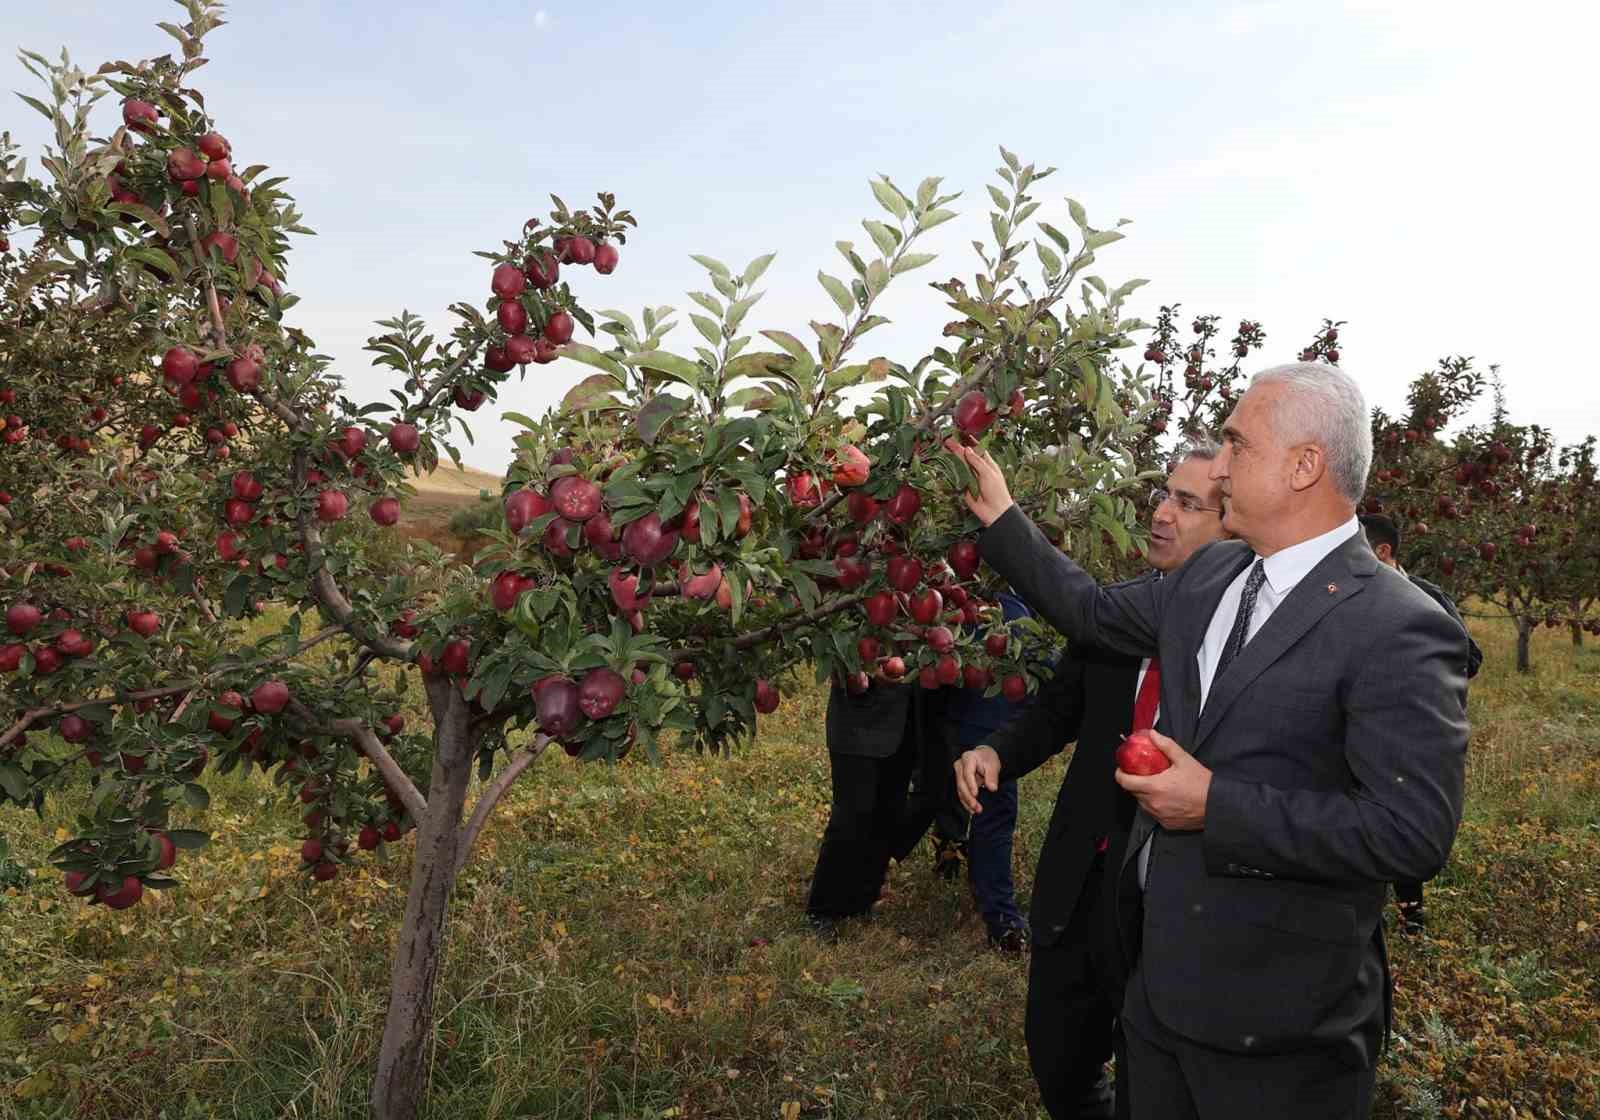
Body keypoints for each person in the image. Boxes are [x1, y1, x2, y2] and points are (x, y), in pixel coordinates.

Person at [946, 361, 1470, 1120]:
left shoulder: (1398, 624)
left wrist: (1216, 806)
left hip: (1284, 1027)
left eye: (1236, 445)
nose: (1219, 466)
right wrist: (1002, 518)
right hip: (1159, 992)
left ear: (1304, 465)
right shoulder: (1212, 574)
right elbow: (1093, 614)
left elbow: (1411, 834)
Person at [954, 440, 1230, 1120]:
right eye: (1163, 495)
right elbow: (1061, 707)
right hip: (1085, 873)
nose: (1162, 514)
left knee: (1154, 1073)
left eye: (1188, 504)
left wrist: (1006, 519)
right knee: (1058, 1053)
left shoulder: (1243, 630)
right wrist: (998, 750)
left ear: (1233, 527)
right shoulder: (1128, 608)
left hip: (1172, 888)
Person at [1358, 512, 1481, 933]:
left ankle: (1412, 917)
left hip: (1408, 733)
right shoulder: (1349, 595)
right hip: (1359, 728)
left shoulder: (1426, 597)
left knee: (1401, 813)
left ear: (1383, 551)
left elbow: (1472, 657)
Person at [804, 678, 955, 939]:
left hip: (908, 718)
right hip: (859, 720)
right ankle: (823, 907)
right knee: (853, 813)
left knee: (890, 809)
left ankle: (863, 897)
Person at [944, 589, 1036, 953]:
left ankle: (955, 861)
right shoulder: (988, 604)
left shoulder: (994, 595)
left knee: (977, 807)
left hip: (981, 718)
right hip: (985, 724)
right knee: (994, 813)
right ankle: (1002, 921)